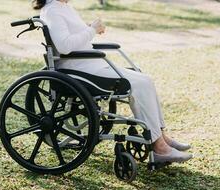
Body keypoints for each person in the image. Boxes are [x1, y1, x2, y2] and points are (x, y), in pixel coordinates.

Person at [33, 0, 193, 163]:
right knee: (138, 85)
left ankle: (161, 137)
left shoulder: (64, 7)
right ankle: (159, 147)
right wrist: (92, 29)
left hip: (90, 64)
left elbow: (73, 37)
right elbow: (65, 46)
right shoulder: (52, 10)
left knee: (146, 80)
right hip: (79, 68)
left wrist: (89, 29)